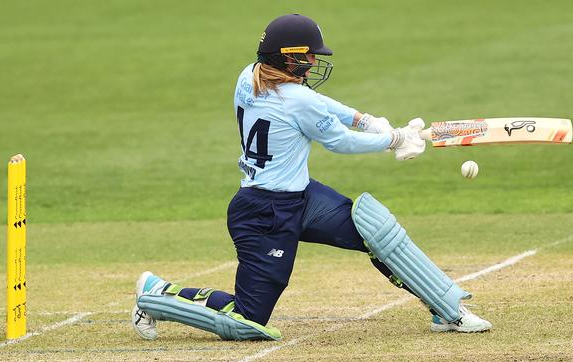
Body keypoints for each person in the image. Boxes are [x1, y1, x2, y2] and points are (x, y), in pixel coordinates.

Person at [131, 14, 492, 341]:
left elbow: (316, 104)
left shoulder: (249, 76)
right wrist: (393, 139)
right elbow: (341, 142)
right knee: (246, 320)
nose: (315, 62)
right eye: (309, 56)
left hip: (301, 198)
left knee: (377, 233)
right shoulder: (295, 101)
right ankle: (155, 293)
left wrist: (366, 120)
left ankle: (448, 311)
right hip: (263, 214)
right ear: (287, 57)